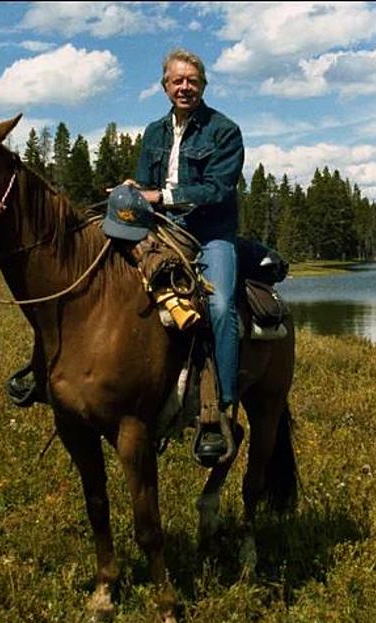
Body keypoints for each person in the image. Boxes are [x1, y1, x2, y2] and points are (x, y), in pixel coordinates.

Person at [131, 47, 244, 467]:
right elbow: (144, 183)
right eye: (177, 81)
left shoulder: (224, 131)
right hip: (162, 230)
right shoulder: (153, 133)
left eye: (192, 81)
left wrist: (161, 196)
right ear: (164, 87)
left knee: (219, 304)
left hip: (211, 232)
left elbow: (217, 190)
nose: (184, 87)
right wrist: (133, 191)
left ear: (203, 86)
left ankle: (223, 409)